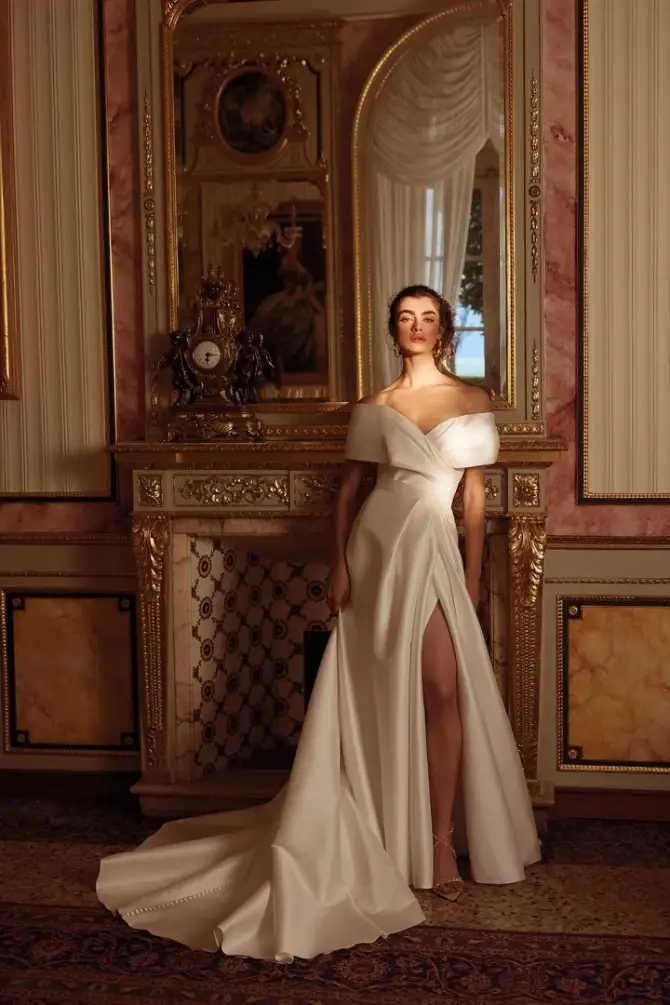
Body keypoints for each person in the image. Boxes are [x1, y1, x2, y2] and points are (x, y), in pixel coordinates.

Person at [96, 283, 541, 962]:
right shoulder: (377, 407)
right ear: (394, 331)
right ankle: (391, 833)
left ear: (444, 328)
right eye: (404, 318)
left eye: (427, 317)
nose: (415, 326)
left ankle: (439, 842)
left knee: (444, 691)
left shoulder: (473, 401)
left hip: (435, 553)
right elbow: (349, 494)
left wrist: (473, 578)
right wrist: (339, 564)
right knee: (381, 693)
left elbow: (474, 504)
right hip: (378, 548)